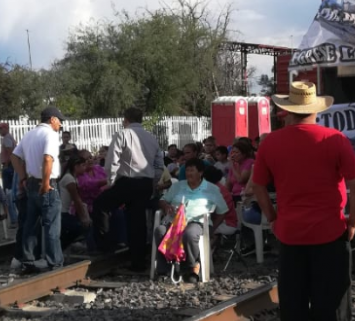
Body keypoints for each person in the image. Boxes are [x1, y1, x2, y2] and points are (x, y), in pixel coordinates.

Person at [250, 81, 355, 321]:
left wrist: (273, 218)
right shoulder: (335, 139)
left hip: (289, 233)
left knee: (293, 299)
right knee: (332, 302)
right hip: (330, 233)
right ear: (315, 108)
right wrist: (352, 222)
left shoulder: (269, 143)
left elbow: (257, 187)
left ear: (287, 110)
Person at [93, 107, 164, 272]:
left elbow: (111, 160)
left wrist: (111, 181)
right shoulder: (151, 137)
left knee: (101, 205)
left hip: (127, 181)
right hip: (145, 183)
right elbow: (159, 164)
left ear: (125, 119)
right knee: (137, 221)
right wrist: (153, 183)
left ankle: (105, 246)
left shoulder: (122, 134)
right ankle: (138, 261)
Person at [155, 158, 228, 283]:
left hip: (197, 222)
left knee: (190, 233)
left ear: (200, 172)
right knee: (160, 230)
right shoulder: (178, 186)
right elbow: (163, 200)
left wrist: (212, 229)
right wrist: (166, 206)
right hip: (174, 221)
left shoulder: (212, 189)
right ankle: (164, 270)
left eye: (192, 170)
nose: (189, 173)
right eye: (187, 170)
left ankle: (191, 267)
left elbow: (222, 211)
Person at [11, 106, 65, 273]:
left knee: (31, 224)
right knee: (51, 224)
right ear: (52, 119)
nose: (61, 125)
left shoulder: (29, 134)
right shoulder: (51, 135)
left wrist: (22, 178)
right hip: (46, 183)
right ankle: (53, 261)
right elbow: (48, 158)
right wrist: (46, 182)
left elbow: (14, 156)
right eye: (60, 121)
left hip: (31, 183)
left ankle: (28, 258)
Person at [59, 155, 92, 250]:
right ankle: (63, 246)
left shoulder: (73, 178)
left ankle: (64, 245)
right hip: (62, 213)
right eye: (83, 165)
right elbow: (76, 199)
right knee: (82, 226)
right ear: (76, 166)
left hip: (65, 212)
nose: (85, 168)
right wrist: (83, 218)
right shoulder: (69, 179)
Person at [0, 123, 17, 192]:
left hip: (8, 165)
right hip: (11, 165)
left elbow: (10, 153)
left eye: (1, 129)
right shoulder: (9, 137)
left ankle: (8, 201)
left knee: (7, 188)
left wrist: (6, 164)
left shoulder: (7, 138)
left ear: (6, 129)